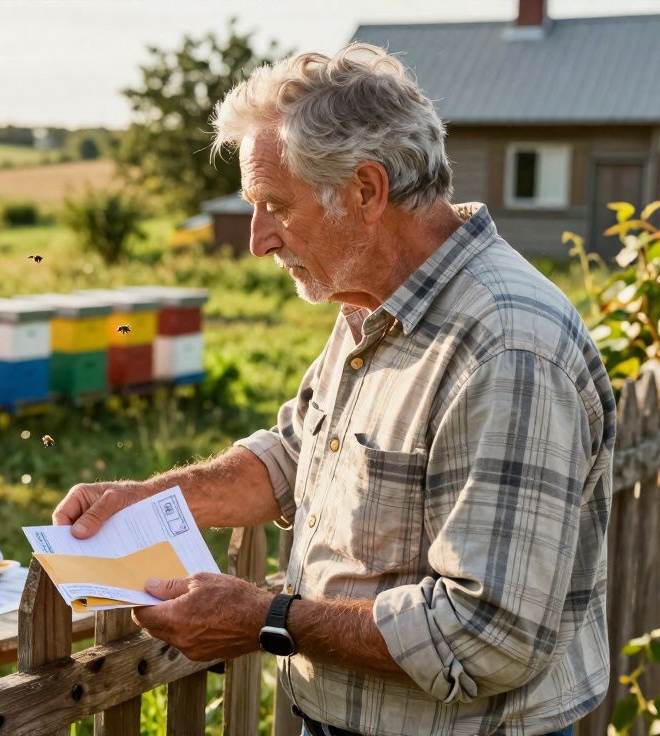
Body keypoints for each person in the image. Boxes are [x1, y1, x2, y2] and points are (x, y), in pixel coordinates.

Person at [53, 44, 612, 736]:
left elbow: (485, 637)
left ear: (366, 191)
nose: (258, 240)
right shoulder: (371, 298)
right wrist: (153, 500)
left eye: (274, 206)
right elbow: (298, 449)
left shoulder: (508, 347)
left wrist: (266, 619)